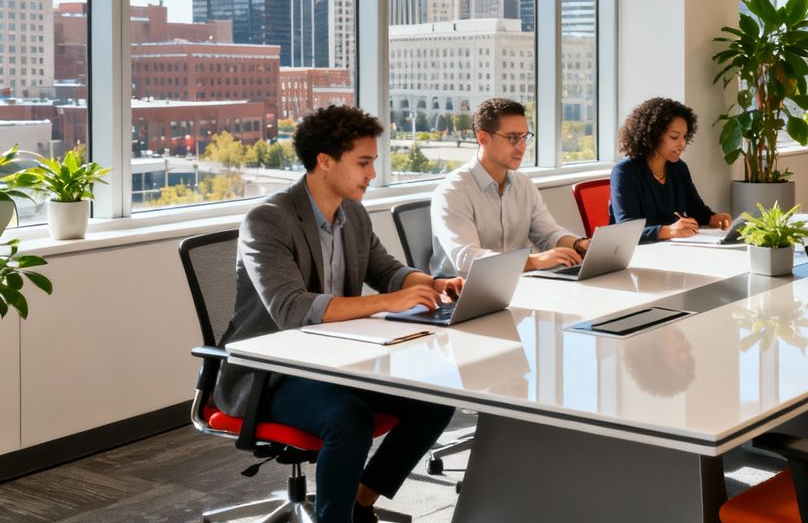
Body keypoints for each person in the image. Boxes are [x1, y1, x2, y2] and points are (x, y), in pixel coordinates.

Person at [216, 105, 460, 523]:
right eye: (363, 163)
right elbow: (292, 308)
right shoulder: (268, 221)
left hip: (334, 362)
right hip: (272, 373)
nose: (371, 173)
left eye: (373, 162)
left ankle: (358, 503)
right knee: (349, 421)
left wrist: (432, 283)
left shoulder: (353, 215)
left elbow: (386, 271)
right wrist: (388, 302)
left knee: (435, 400)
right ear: (324, 161)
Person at [430, 98, 590, 274]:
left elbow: (548, 233)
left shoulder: (523, 184)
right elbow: (467, 258)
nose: (521, 148)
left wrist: (578, 245)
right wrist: (534, 261)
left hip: (519, 284)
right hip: (465, 292)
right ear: (483, 138)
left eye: (524, 138)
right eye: (513, 138)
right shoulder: (452, 192)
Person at [610, 97, 732, 243]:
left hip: (670, 249)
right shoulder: (625, 171)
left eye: (685, 137)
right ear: (653, 135)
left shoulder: (679, 168)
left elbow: (697, 210)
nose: (682, 144)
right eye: (674, 137)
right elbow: (626, 229)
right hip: (635, 255)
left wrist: (713, 218)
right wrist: (669, 231)